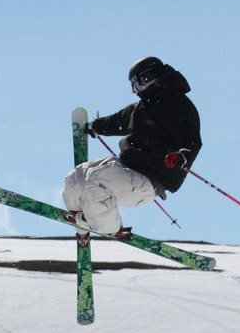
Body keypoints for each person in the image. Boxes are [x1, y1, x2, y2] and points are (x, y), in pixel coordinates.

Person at [63, 56, 202, 237]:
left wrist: (182, 155)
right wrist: (95, 126)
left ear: (153, 76)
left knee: (97, 181)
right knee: (76, 177)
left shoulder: (177, 103)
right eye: (134, 85)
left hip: (151, 178)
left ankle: (110, 227)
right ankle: (81, 218)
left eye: (140, 82)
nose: (138, 88)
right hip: (128, 166)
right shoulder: (141, 108)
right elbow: (116, 121)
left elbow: (191, 139)